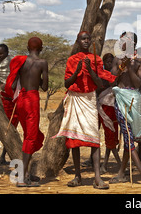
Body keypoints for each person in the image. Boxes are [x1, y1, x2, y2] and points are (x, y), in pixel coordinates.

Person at [54, 31, 115, 189]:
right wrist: (77, 71)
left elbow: (100, 84)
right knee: (74, 139)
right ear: (78, 41)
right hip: (75, 99)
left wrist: (90, 70)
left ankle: (97, 177)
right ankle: (77, 176)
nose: (86, 41)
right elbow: (67, 83)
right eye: (83, 39)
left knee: (94, 138)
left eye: (88, 39)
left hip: (89, 99)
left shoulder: (96, 59)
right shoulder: (72, 60)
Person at [110, 31, 141, 186]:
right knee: (128, 136)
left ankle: (122, 173)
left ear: (133, 43)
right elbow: (112, 79)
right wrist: (122, 65)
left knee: (130, 136)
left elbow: (137, 84)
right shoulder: (117, 59)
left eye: (125, 39)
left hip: (134, 100)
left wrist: (130, 67)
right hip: (121, 99)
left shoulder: (140, 61)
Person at [4, 37, 48, 187]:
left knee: (29, 135)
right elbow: (45, 87)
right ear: (41, 48)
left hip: (20, 101)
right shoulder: (42, 63)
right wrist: (39, 78)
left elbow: (14, 82)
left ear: (27, 48)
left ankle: (27, 173)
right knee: (31, 137)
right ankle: (22, 178)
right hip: (32, 100)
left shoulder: (21, 62)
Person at [96, 53, 121, 173]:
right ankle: (120, 164)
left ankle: (104, 165)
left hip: (113, 107)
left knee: (112, 137)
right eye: (108, 62)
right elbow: (100, 88)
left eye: (112, 62)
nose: (110, 64)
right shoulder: (101, 75)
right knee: (109, 135)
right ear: (104, 63)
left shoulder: (115, 75)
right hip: (104, 107)